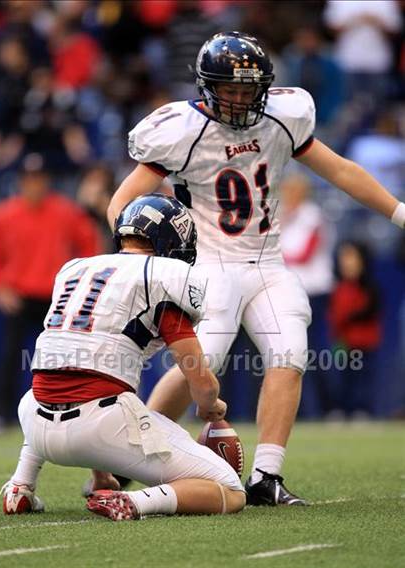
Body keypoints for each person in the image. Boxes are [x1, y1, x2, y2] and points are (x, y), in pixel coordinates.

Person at [106, 31, 405, 506]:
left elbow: (342, 170)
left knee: (291, 355)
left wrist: (398, 211)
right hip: (209, 265)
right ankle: (122, 462)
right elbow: (123, 202)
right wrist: (133, 257)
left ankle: (267, 476)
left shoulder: (282, 118)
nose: (242, 99)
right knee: (195, 369)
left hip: (268, 261)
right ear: (207, 85)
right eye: (232, 89)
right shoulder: (182, 130)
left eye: (250, 89)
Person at [1, 194, 245, 521]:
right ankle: (135, 502)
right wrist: (208, 404)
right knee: (230, 490)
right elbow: (199, 380)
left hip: (33, 418)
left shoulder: (78, 269)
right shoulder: (162, 276)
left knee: (65, 382)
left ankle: (21, 485)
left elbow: (78, 359)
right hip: (99, 423)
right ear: (172, 242)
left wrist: (101, 471)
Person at [0, 154, 102, 429]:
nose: (34, 184)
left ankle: (60, 411)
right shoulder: (5, 213)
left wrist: (78, 283)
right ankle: (2, 415)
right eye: (28, 179)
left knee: (58, 359)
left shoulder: (65, 211)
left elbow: (89, 245)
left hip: (55, 298)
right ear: (20, 181)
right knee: (11, 356)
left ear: (47, 181)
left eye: (38, 179)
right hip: (19, 296)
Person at [280, 173, 335, 418]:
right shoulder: (282, 216)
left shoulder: (312, 216)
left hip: (314, 292)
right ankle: (306, 409)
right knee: (296, 352)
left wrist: (275, 256)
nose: (288, 197)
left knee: (315, 351)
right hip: (292, 290)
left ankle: (327, 407)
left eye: (293, 192)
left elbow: (304, 254)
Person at [328, 240, 382, 418]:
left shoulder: (370, 288)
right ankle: (342, 409)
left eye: (351, 256)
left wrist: (350, 317)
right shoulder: (338, 288)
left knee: (363, 378)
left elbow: (370, 311)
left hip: (364, 344)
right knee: (343, 378)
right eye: (344, 257)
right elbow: (334, 316)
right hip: (345, 344)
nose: (347, 262)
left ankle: (363, 409)